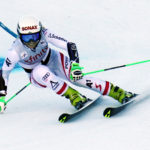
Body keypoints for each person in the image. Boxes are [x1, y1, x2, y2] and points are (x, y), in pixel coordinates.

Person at [0, 16, 136, 113]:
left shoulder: (45, 34)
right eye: (26, 38)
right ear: (19, 35)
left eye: (34, 36)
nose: (31, 42)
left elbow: (69, 45)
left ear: (40, 32)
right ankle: (74, 96)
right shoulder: (15, 51)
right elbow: (4, 73)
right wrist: (1, 98)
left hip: (54, 59)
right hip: (36, 74)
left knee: (78, 78)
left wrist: (75, 65)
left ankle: (118, 92)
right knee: (40, 71)